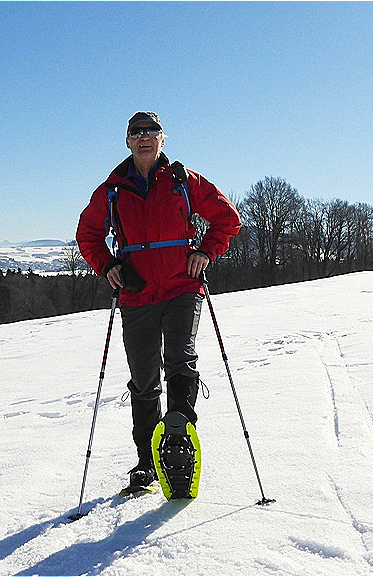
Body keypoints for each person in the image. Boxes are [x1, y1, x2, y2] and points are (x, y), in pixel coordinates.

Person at [76, 112, 241, 488]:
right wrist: (108, 266)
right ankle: (148, 461)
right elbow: (88, 234)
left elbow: (227, 219)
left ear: (163, 139)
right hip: (136, 295)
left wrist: (206, 252)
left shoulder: (183, 181)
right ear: (128, 141)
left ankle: (179, 438)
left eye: (152, 132)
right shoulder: (112, 190)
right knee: (144, 379)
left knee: (181, 357)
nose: (144, 138)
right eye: (137, 133)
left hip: (183, 286)